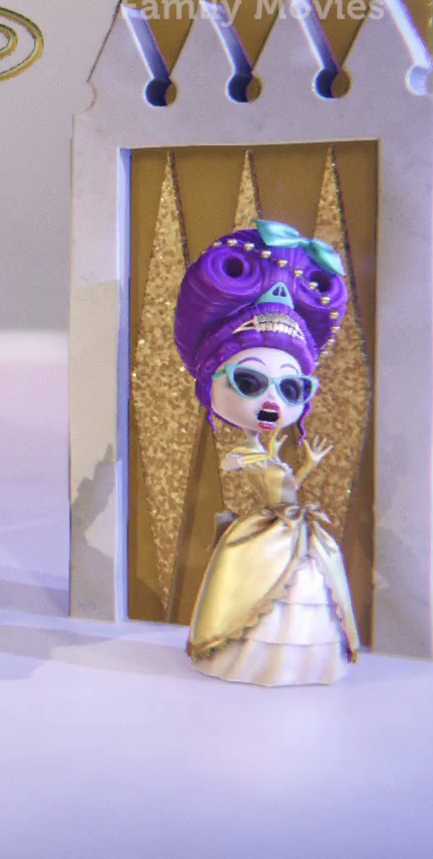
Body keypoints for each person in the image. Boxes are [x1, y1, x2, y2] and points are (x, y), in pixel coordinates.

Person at [175, 222, 359, 686]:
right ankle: (242, 656)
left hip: (297, 528)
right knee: (253, 586)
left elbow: (286, 479)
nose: (273, 400)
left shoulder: (267, 450)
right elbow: (258, 470)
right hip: (272, 531)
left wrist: (310, 463)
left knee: (310, 589)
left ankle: (303, 662)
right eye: (250, 382)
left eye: (292, 388)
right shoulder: (248, 451)